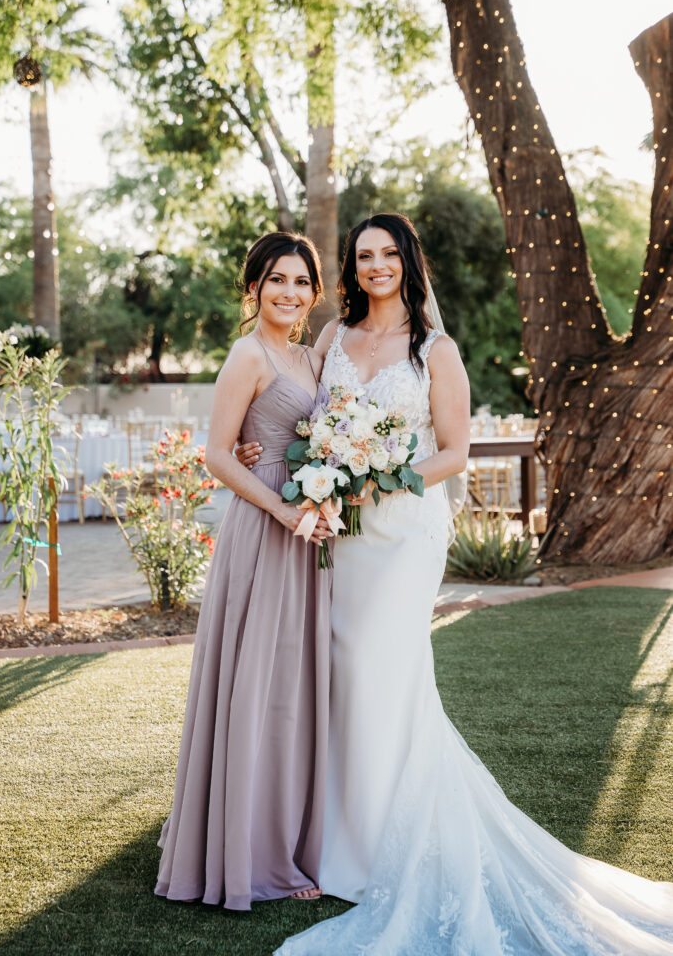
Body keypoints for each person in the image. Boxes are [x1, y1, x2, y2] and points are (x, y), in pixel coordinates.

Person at [238, 213, 673, 954]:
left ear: (407, 262)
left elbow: (454, 453)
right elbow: (296, 411)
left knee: (385, 674)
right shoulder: (332, 339)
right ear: (352, 267)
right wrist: (262, 448)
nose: (375, 266)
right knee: (340, 675)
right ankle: (336, 843)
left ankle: (381, 847)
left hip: (403, 532)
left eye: (387, 254)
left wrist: (375, 479)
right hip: (340, 533)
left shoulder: (434, 350)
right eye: (363, 255)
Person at [155, 231, 333, 911]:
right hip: (265, 533)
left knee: (292, 687)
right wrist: (282, 510)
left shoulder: (308, 356)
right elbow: (217, 456)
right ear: (252, 286)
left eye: (300, 282)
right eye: (275, 280)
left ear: (313, 293)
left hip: (308, 531)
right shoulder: (248, 353)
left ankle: (288, 837)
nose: (288, 293)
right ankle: (248, 854)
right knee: (257, 685)